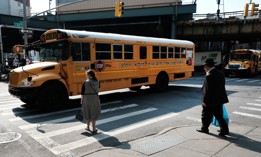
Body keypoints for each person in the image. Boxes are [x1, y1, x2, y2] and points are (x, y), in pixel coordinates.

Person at [197, 58, 229, 137]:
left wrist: (204, 101)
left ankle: (204, 128)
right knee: (219, 116)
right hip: (219, 99)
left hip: (210, 100)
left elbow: (208, 90)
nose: (204, 68)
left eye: (204, 66)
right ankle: (224, 130)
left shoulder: (209, 75)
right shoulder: (220, 73)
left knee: (205, 115)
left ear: (207, 66)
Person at [81, 70, 101, 134]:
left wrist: (81, 100)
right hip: (95, 98)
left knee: (87, 112)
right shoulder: (97, 81)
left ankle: (88, 127)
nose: (86, 75)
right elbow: (98, 89)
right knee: (94, 112)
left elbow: (82, 92)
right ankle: (94, 128)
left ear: (89, 75)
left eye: (86, 74)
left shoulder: (85, 82)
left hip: (87, 98)